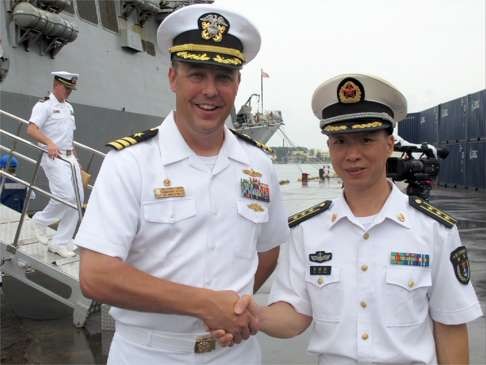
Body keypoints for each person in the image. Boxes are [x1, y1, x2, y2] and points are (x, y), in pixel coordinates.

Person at [215, 74, 483, 364]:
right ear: (330, 148)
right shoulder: (308, 230)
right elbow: (294, 315)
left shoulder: (434, 230)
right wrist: (255, 316)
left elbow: (451, 325)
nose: (352, 154)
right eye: (340, 141)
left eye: (366, 139)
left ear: (389, 144)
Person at [74, 4, 289, 365]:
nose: (210, 90)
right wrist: (205, 305)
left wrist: (231, 310)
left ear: (237, 84)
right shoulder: (130, 163)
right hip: (150, 353)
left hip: (236, 353)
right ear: (173, 78)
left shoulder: (259, 164)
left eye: (223, 77)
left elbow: (267, 251)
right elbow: (96, 276)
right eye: (197, 75)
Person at [26, 71, 83, 258]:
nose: (69, 92)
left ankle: (61, 241)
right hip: (53, 157)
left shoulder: (69, 108)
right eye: (67, 88)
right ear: (57, 85)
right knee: (65, 195)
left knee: (77, 200)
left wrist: (75, 158)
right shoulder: (44, 106)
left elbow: (68, 135)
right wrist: (49, 142)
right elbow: (31, 129)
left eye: (71, 89)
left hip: (69, 158)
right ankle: (39, 221)